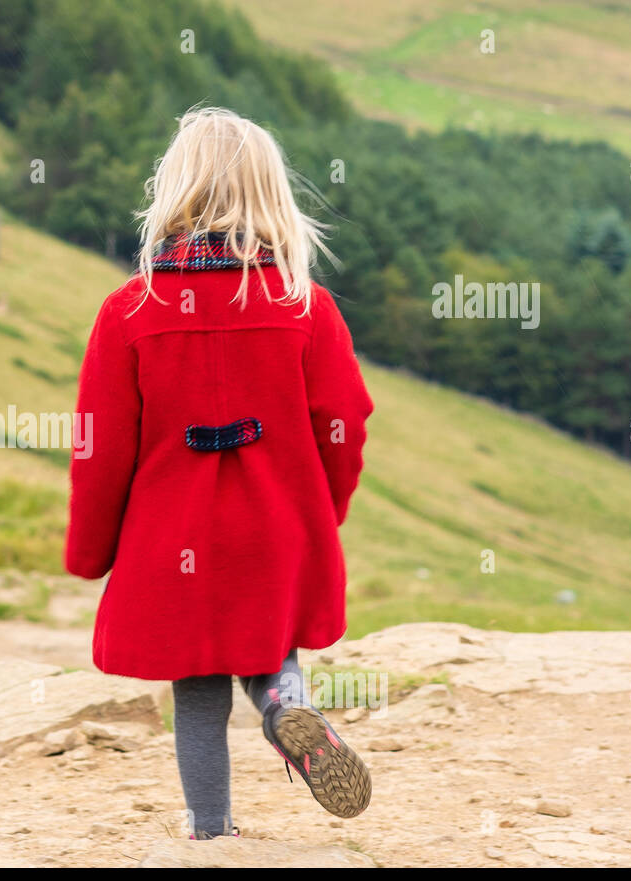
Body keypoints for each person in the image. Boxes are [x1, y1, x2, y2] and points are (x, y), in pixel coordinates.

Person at [64, 107, 374, 839]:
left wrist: (92, 550)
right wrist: (319, 512)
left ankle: (211, 830)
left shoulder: (130, 311)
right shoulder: (306, 306)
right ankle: (283, 706)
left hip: (175, 542)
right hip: (276, 528)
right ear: (273, 197)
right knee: (268, 650)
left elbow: (97, 444)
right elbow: (345, 422)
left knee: (198, 692)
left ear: (171, 192)